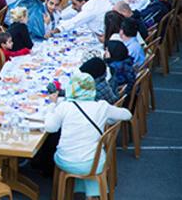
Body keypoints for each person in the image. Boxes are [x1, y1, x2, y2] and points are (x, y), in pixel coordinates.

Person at [45, 72, 131, 200]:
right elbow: (127, 115)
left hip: (66, 161)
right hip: (93, 162)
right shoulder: (102, 107)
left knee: (80, 152)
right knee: (90, 154)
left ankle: (79, 191)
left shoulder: (64, 106)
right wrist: (109, 119)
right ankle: (91, 195)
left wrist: (52, 105)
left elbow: (50, 128)